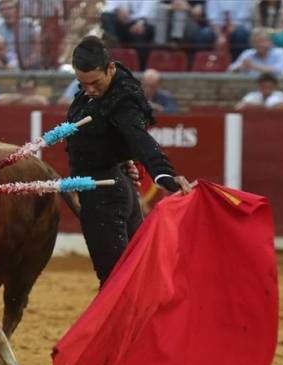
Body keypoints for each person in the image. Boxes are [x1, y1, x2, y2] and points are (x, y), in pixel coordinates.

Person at [65, 36, 192, 285]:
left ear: (110, 68)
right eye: (82, 83)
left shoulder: (122, 100)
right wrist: (122, 158)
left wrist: (163, 173)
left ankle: (122, 325)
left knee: (115, 279)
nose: (89, 89)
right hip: (114, 184)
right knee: (132, 273)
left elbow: (139, 137)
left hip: (106, 193)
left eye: (94, 82)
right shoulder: (104, 88)